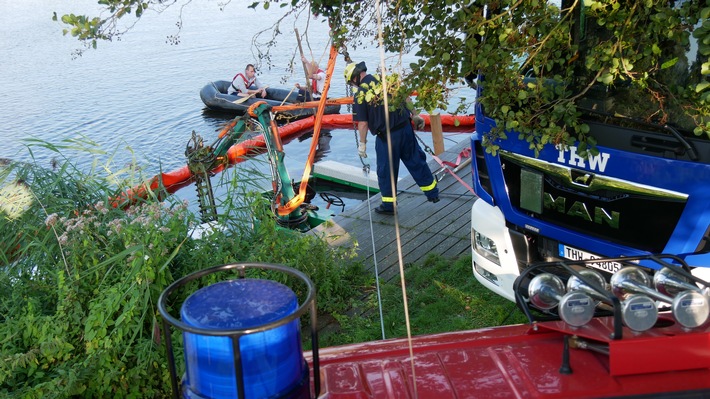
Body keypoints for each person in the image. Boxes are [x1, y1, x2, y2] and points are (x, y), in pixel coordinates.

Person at [344, 61, 439, 215]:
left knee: (386, 171)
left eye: (351, 83)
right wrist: (415, 115)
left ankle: (388, 206)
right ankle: (433, 193)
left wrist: (362, 144)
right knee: (416, 160)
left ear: (354, 77)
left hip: (386, 138)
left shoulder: (361, 94)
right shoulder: (386, 81)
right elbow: (406, 98)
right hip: (405, 129)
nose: (353, 86)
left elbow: (362, 123)